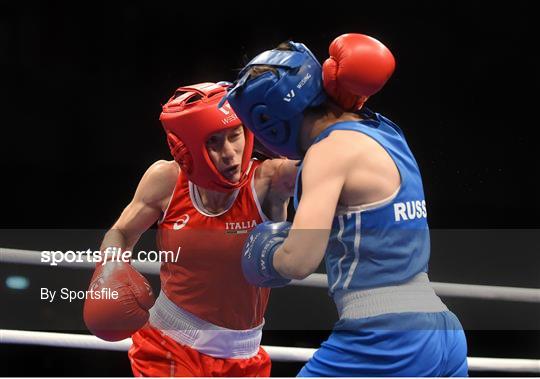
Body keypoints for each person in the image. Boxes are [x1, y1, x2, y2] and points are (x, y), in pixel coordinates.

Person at [224, 34, 468, 376]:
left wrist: (264, 253)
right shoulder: (382, 130)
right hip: (442, 330)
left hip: (385, 337)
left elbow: (298, 261)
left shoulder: (328, 151)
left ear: (268, 120)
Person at [83, 82, 297, 376]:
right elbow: (120, 232)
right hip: (169, 345)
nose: (231, 154)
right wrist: (110, 267)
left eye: (235, 136)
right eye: (214, 142)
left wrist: (340, 99)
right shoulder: (166, 180)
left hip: (245, 354)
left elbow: (326, 163)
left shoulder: (270, 180)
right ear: (187, 147)